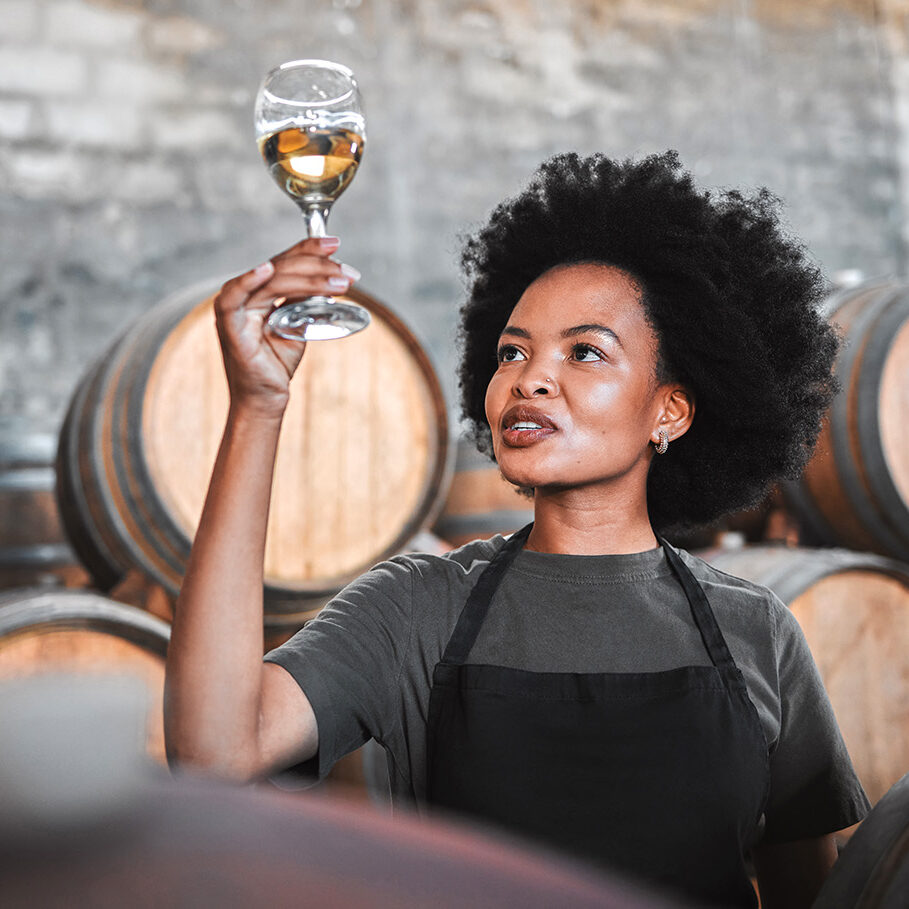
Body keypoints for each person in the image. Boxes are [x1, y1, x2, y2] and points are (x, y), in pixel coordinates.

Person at [164, 151, 870, 909]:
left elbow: (810, 893)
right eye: (512, 352)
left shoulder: (756, 630)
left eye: (585, 351)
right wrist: (258, 406)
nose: (530, 377)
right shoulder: (414, 607)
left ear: (670, 410)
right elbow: (213, 754)